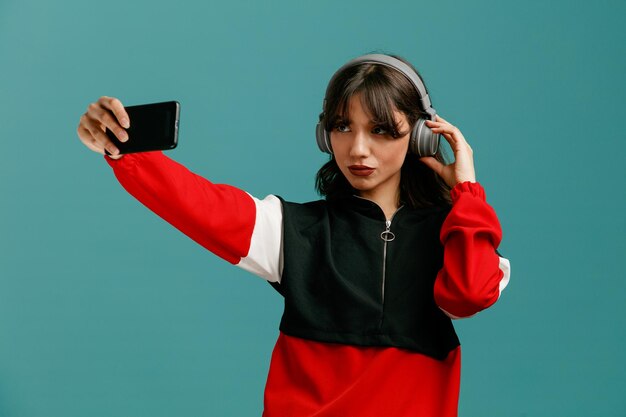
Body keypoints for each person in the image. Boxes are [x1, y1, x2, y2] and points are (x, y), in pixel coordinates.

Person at [76, 53, 511, 416]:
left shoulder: (460, 237)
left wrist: (466, 194)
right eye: (343, 126)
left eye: (381, 129)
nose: (358, 148)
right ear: (325, 134)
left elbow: (468, 295)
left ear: (420, 137)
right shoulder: (290, 231)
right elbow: (196, 203)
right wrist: (121, 146)